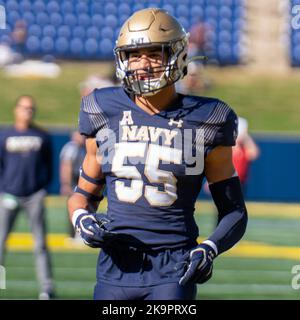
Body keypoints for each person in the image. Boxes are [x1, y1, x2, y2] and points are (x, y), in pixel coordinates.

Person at [67, 8, 248, 300]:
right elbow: (83, 196)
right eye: (134, 55)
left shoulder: (208, 118)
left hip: (174, 268)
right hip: (114, 267)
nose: (143, 64)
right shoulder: (101, 108)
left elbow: (234, 211)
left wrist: (210, 248)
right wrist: (81, 219)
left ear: (177, 56)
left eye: (154, 54)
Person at [0, 95, 55, 299]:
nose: (28, 111)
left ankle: (46, 288)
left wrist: (42, 190)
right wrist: (3, 190)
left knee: (40, 244)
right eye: (24, 107)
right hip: (9, 196)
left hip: (34, 196)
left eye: (31, 108)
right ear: (16, 109)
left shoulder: (42, 136)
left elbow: (49, 167)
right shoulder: (5, 135)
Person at [59, 131, 86, 239]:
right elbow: (66, 166)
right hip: (74, 180)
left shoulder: (83, 147)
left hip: (80, 180)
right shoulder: (71, 147)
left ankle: (78, 233)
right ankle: (74, 234)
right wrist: (66, 184)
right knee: (75, 206)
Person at [232, 117, 260, 192]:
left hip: (241, 182)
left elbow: (253, 154)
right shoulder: (227, 147)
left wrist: (247, 139)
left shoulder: (244, 148)